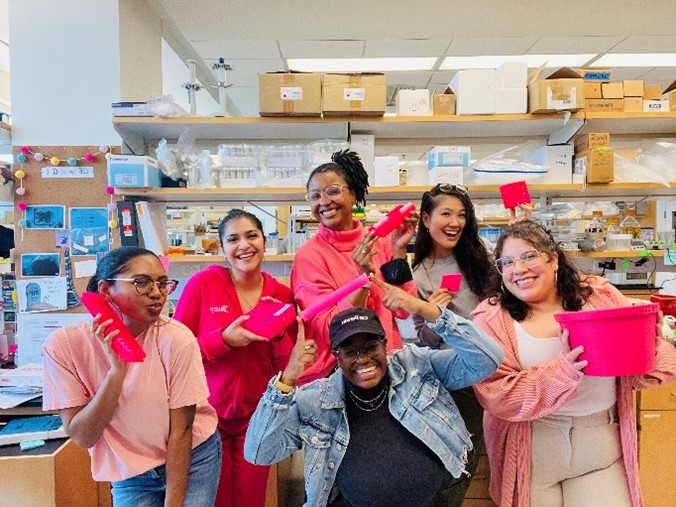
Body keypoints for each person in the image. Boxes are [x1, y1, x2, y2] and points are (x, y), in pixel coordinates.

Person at [243, 278, 504, 507]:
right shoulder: (316, 401)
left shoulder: (418, 366)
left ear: (385, 344)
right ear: (337, 356)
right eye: (350, 351)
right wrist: (287, 378)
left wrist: (424, 309)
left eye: (370, 347)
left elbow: (487, 359)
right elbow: (259, 452)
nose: (363, 359)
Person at [472, 220, 676, 507]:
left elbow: (645, 373)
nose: (518, 269)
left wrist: (647, 346)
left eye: (529, 256)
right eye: (506, 262)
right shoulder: (491, 318)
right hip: (532, 453)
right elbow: (497, 395)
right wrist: (563, 371)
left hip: (600, 447)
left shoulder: (598, 296)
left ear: (554, 259)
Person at [42, 246, 221, 507]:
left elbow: (181, 431)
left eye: (163, 283)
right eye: (142, 283)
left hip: (193, 456)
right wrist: (117, 372)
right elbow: (83, 436)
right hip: (131, 468)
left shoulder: (176, 338)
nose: (157, 293)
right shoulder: (64, 346)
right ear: (105, 290)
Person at [173, 208, 296, 507]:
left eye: (252, 235)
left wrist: (278, 335)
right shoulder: (202, 285)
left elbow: (286, 365)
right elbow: (176, 352)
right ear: (222, 247)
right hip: (206, 417)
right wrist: (223, 340)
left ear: (265, 242)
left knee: (250, 500)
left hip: (258, 418)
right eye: (233, 239)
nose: (244, 245)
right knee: (213, 500)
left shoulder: (281, 294)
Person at [291, 149, 418, 385]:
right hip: (337, 373)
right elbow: (329, 328)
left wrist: (399, 249)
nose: (324, 202)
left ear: (353, 195)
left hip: (386, 365)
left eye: (333, 191)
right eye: (315, 196)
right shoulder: (309, 256)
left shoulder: (379, 241)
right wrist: (363, 278)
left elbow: (403, 310)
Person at [410, 183, 496, 506]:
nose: (454, 222)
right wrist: (433, 314)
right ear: (426, 219)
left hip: (493, 368)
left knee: (468, 465)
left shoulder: (480, 256)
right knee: (450, 465)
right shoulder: (417, 274)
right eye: (446, 213)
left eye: (462, 215)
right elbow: (425, 339)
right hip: (454, 380)